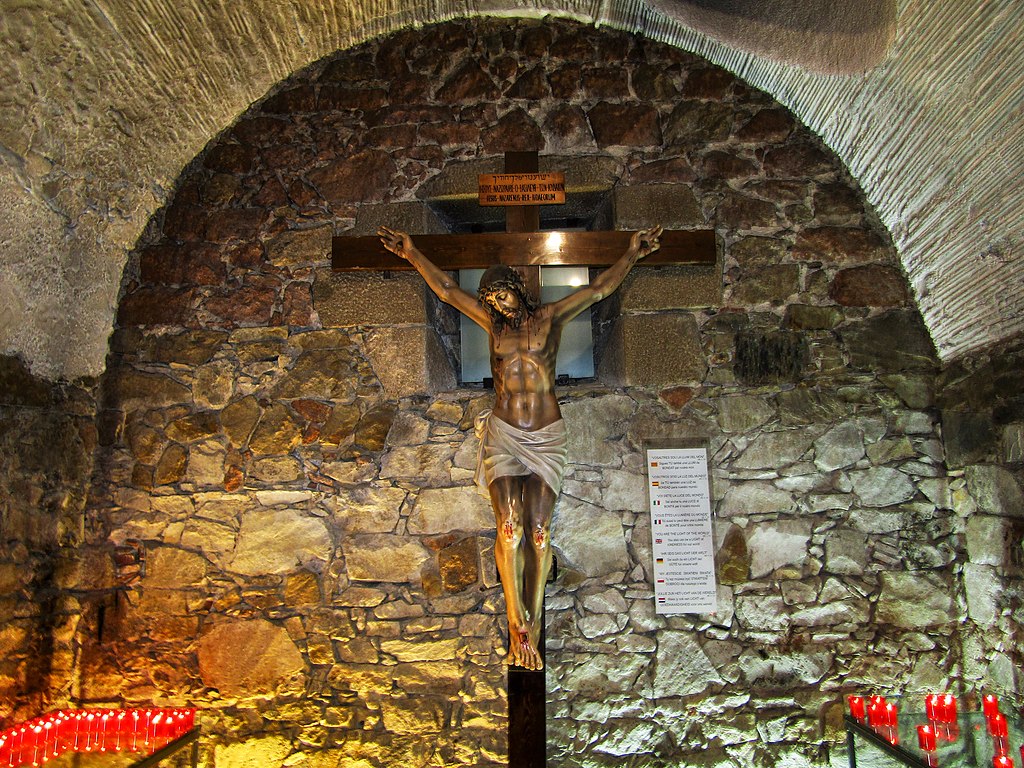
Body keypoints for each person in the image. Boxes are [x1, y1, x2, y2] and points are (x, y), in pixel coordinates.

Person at [378, 224, 663, 669]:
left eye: (501, 296)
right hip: (505, 433)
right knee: (508, 529)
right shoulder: (492, 325)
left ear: (516, 290)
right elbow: (450, 291)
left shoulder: (549, 318)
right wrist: (413, 253)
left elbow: (599, 288)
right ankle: (517, 624)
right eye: (490, 299)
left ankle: (532, 614)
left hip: (546, 436)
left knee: (539, 531)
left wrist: (631, 253)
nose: (495, 304)